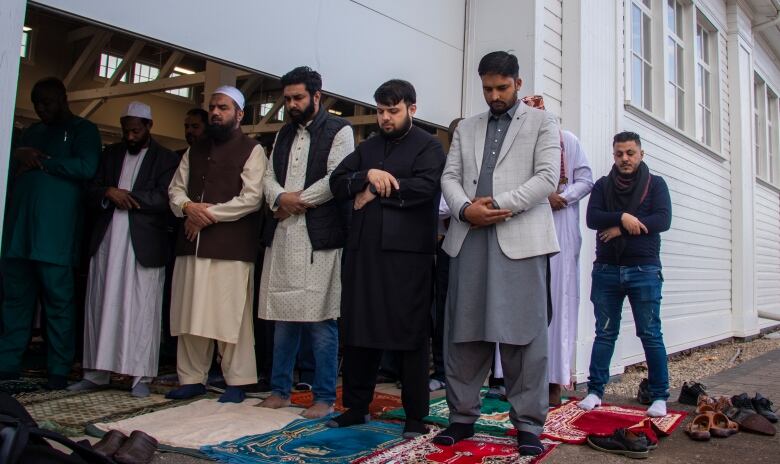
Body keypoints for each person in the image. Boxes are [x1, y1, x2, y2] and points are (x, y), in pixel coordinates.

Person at [437, 51, 560, 456]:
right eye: (488, 88)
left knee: (524, 334)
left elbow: (547, 178)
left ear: (518, 84)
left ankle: (528, 424)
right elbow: (450, 176)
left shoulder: (543, 122)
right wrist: (464, 209)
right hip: (469, 235)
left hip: (519, 237)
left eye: (502, 88)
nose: (494, 95)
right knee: (464, 329)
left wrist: (496, 206)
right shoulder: (467, 127)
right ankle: (461, 418)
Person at [328, 79, 445, 438]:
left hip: (407, 261)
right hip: (364, 256)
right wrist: (368, 175)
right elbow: (337, 181)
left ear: (412, 108)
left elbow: (427, 188)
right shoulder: (368, 148)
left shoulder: (429, 146)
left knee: (410, 336)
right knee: (359, 331)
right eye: (380, 111)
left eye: (392, 111)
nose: (385, 118)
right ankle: (357, 406)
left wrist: (376, 190)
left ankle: (414, 416)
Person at [256, 66, 354, 418]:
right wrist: (280, 198)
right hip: (284, 233)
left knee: (320, 319)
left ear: (317, 96)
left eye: (298, 98)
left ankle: (324, 397)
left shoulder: (340, 130)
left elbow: (336, 177)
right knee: (283, 318)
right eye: (287, 99)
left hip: (319, 237)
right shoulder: (283, 134)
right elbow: (267, 177)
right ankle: (280, 391)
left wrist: (296, 201)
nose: (292, 104)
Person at [67, 102, 179, 397]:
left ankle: (139, 376)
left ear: (148, 127)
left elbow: (164, 197)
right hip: (106, 242)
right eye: (126, 130)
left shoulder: (165, 158)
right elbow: (89, 190)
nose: (130, 136)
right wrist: (107, 192)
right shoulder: (110, 155)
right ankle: (96, 372)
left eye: (136, 131)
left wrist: (127, 196)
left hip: (142, 244)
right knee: (101, 304)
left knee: (141, 308)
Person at [166, 86, 266, 403]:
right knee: (189, 314)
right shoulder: (194, 150)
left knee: (230, 316)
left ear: (239, 113)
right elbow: (175, 191)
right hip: (192, 247)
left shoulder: (253, 149)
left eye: (223, 107)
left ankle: (237, 381)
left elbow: (251, 199)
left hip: (230, 248)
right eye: (212, 107)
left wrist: (205, 214)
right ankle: (191, 378)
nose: (215, 113)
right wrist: (187, 208)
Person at [0, 77, 101, 389]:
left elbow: (86, 167)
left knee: (59, 303)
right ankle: (7, 363)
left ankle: (58, 368)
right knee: (14, 300)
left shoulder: (83, 130)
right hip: (19, 234)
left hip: (55, 236)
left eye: (47, 102)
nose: (42, 109)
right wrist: (20, 155)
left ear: (62, 99)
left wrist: (41, 161)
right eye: (37, 104)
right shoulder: (31, 132)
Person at [578, 131, 672, 417]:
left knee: (650, 333)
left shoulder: (656, 184)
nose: (625, 159)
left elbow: (663, 220)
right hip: (606, 270)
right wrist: (622, 216)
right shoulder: (603, 185)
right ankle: (595, 391)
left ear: (641, 154)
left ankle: (659, 396)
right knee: (604, 333)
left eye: (630, 153)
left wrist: (622, 226)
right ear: (614, 154)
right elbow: (593, 218)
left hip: (644, 269)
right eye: (619, 154)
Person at [520, 95, 594, 406]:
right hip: (526, 225)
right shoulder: (518, 146)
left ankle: (553, 379)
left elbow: (586, 179)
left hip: (561, 224)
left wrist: (562, 196)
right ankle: (519, 377)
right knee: (525, 301)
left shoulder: (568, 141)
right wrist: (541, 196)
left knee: (559, 301)